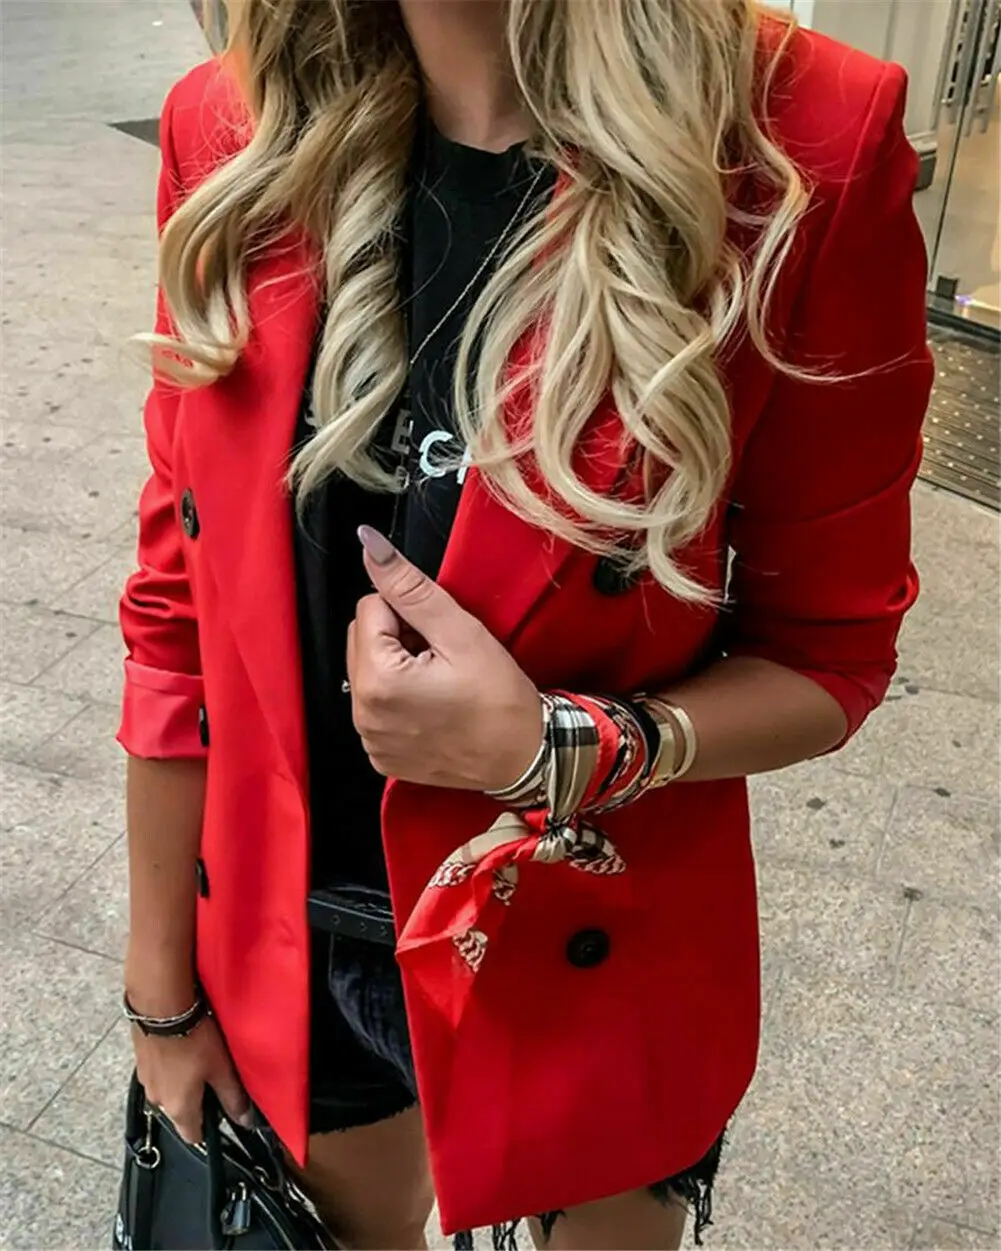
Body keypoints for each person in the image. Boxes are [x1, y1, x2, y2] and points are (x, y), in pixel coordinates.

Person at [117, 0, 933, 1247]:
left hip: (591, 938)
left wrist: (554, 748)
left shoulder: (801, 137)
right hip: (296, 935)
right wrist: (160, 995)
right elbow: (176, 619)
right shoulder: (234, 125)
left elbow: (828, 657)